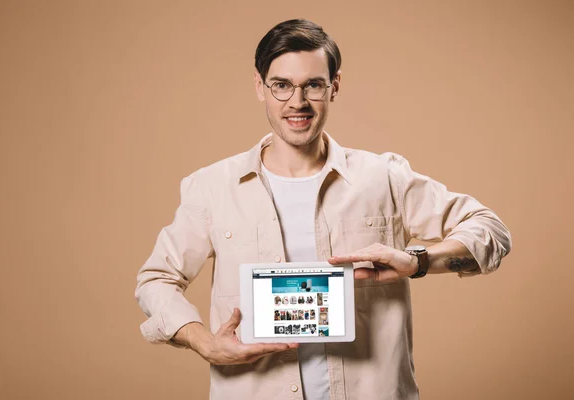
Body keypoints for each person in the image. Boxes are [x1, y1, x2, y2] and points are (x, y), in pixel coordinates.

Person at [135, 19, 512, 400]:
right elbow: (156, 280)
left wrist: (419, 261)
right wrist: (204, 343)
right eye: (281, 85)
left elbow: (491, 231)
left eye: (312, 85)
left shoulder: (383, 177)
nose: (296, 103)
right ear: (259, 86)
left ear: (334, 86)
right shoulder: (213, 187)